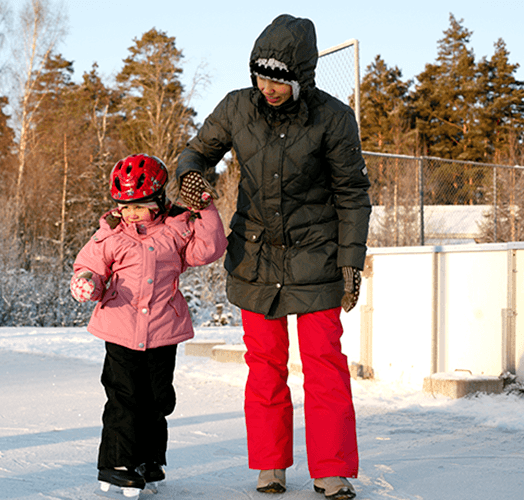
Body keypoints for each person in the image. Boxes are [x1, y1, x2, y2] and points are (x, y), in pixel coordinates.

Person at [174, 14, 371, 500]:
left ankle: (331, 469)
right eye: (262, 77)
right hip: (256, 258)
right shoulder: (237, 108)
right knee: (264, 365)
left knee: (324, 363)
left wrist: (350, 261)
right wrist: (191, 178)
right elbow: (195, 153)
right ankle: (270, 464)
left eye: (280, 80)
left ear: (302, 75)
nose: (269, 88)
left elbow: (352, 194)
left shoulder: (333, 117)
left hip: (317, 257)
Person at [70, 153, 227, 497]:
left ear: (158, 201)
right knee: (124, 397)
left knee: (158, 399)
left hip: (162, 330)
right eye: (125, 207)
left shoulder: (177, 229)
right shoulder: (110, 234)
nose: (131, 214)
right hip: (120, 329)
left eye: (139, 206)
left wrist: (206, 210)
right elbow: (90, 266)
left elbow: (210, 249)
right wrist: (87, 282)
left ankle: (149, 459)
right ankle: (116, 463)